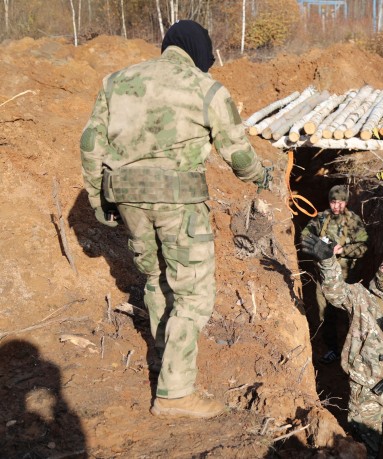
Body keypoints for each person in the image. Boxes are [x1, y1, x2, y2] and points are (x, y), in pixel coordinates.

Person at [80, 20, 271, 419]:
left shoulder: (116, 82)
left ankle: (164, 358)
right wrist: (261, 177)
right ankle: (175, 393)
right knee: (193, 293)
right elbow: (236, 152)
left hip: (128, 197)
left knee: (155, 278)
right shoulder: (206, 88)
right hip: (179, 201)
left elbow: (91, 144)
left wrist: (101, 201)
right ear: (199, 52)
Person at [302, 235, 383, 458]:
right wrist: (328, 261)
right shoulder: (360, 296)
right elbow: (334, 291)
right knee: (366, 449)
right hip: (365, 388)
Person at [301, 184, 369, 364]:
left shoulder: (354, 221)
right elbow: (304, 236)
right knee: (324, 313)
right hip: (323, 275)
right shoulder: (321, 219)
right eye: (333, 202)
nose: (336, 206)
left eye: (340, 203)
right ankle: (332, 348)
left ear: (346, 202)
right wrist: (316, 245)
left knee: (349, 314)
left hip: (347, 276)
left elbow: (363, 247)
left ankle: (352, 352)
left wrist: (342, 250)